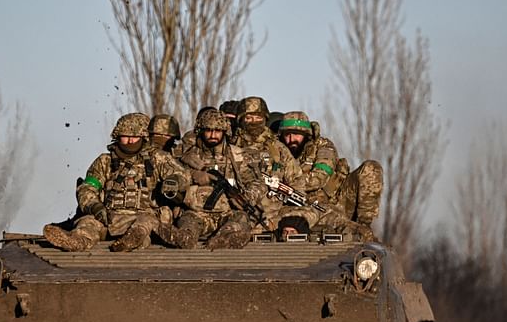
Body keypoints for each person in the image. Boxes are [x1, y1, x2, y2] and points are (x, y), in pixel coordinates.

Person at [43, 113, 190, 252]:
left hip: (143, 215)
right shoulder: (105, 161)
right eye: (125, 136)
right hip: (108, 216)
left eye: (135, 137)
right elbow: (87, 187)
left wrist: (174, 181)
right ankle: (75, 242)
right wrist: (95, 207)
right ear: (117, 136)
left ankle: (131, 242)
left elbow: (181, 174)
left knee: (144, 225)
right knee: (87, 224)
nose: (130, 141)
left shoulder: (157, 158)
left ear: (143, 137)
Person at [156, 108, 266, 250]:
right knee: (185, 236)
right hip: (195, 213)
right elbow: (172, 180)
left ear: (225, 132)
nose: (213, 135)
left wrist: (246, 197)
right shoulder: (186, 155)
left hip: (229, 212)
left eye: (218, 131)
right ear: (201, 131)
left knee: (236, 228)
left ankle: (224, 240)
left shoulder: (238, 156)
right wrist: (192, 176)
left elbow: (258, 183)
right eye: (208, 130)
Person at [279, 111, 383, 234]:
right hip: (300, 207)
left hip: (337, 202)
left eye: (296, 134)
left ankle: (363, 225)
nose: (291, 140)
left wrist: (285, 184)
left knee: (371, 168)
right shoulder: (279, 151)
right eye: (287, 135)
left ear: (306, 134)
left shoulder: (324, 147)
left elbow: (318, 179)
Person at [232, 96, 306, 233]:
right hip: (238, 213)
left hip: (275, 216)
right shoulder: (230, 148)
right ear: (240, 120)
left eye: (258, 117)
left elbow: (297, 183)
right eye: (248, 118)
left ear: (265, 118)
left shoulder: (277, 149)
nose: (253, 122)